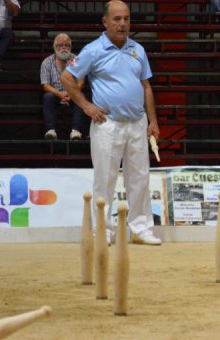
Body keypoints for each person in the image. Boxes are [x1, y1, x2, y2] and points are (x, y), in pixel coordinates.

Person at [61, 0, 162, 245]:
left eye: (126, 18)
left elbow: (146, 85)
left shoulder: (138, 49)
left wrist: (153, 121)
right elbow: (67, 77)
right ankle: (103, 231)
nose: (122, 23)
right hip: (108, 123)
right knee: (104, 179)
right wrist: (86, 106)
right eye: (116, 19)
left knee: (140, 178)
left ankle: (140, 229)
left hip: (138, 123)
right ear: (105, 22)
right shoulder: (93, 50)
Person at [40, 33, 85, 140]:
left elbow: (81, 82)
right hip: (55, 94)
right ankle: (51, 131)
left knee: (80, 96)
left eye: (67, 45)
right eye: (61, 45)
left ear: (70, 47)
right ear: (55, 48)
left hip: (72, 93)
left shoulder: (77, 60)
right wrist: (60, 94)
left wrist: (71, 93)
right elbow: (46, 85)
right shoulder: (47, 62)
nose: (64, 48)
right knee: (47, 97)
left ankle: (76, 131)